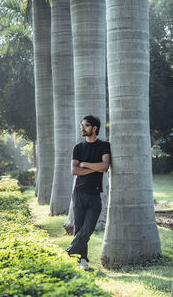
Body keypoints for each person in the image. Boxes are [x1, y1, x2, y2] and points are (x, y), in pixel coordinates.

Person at [66, 115, 111, 271]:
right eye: (81, 125)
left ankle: (69, 252)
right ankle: (82, 260)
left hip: (95, 195)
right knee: (79, 229)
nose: (82, 128)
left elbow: (105, 166)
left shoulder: (104, 146)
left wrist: (84, 164)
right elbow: (74, 170)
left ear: (94, 128)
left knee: (87, 229)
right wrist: (93, 167)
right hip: (78, 194)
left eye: (85, 125)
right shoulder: (78, 148)